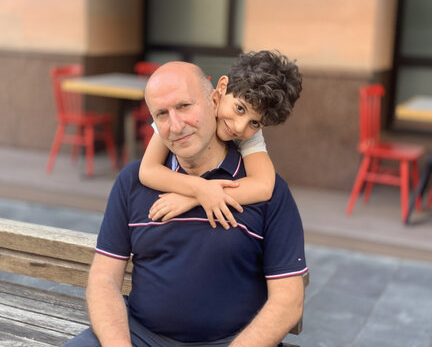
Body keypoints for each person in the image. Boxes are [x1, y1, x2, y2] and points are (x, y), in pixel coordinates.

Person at [64, 61, 307, 347]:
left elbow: (288, 301)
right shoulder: (134, 181)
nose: (176, 126)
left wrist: (196, 195)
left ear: (214, 99)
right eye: (162, 115)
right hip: (141, 336)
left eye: (185, 106)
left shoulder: (265, 190)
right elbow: (104, 278)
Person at [139, 51, 302, 230]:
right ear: (222, 87)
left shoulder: (247, 132)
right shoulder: (182, 115)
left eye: (255, 123)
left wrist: (193, 198)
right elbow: (148, 170)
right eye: (239, 108)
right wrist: (199, 189)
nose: (240, 127)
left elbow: (263, 185)